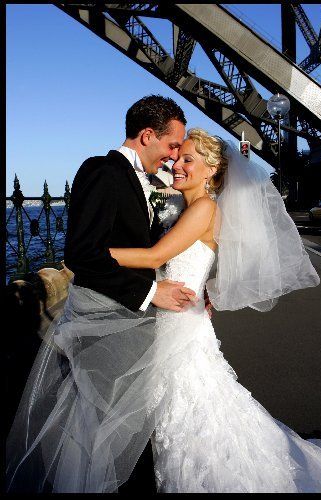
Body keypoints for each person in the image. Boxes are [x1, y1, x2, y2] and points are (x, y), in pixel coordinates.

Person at [108, 128, 321, 493]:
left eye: (188, 160)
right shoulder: (191, 208)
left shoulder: (204, 208)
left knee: (190, 414)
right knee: (190, 413)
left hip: (179, 328)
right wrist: (205, 290)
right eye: (177, 158)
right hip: (180, 320)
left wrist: (91, 256)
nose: (176, 164)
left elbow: (155, 257)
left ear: (210, 170)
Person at [6, 95, 198, 493]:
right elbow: (82, 255)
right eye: (172, 145)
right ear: (147, 135)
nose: (174, 156)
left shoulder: (141, 179)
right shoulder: (102, 171)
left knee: (117, 422)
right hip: (103, 321)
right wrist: (150, 292)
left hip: (124, 322)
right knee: (102, 423)